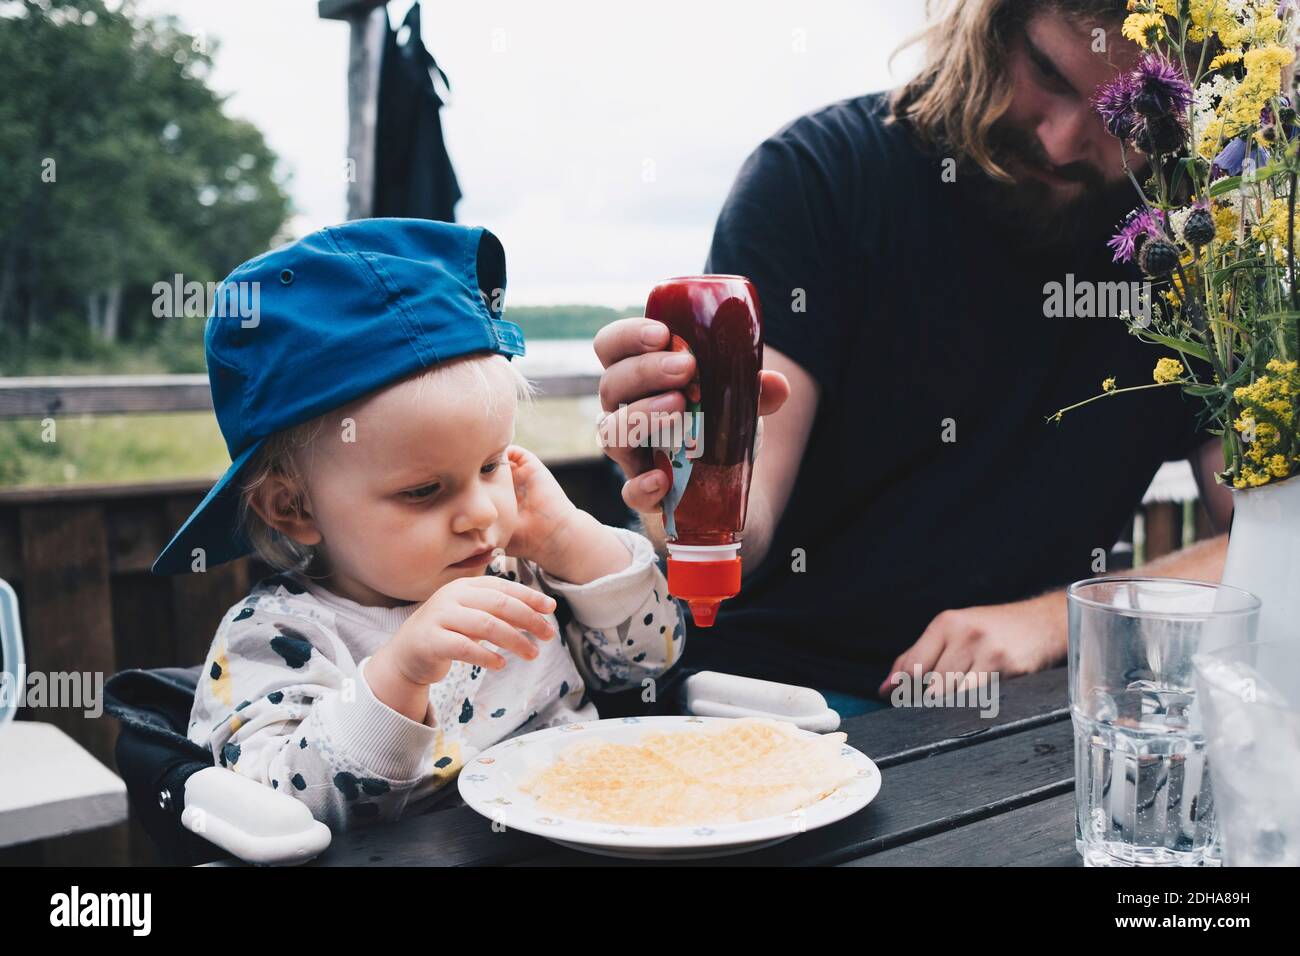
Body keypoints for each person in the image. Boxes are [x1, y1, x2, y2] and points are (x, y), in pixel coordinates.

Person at [593, 0, 1232, 713]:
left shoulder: (1196, 248)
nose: (1061, 141)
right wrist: (691, 484)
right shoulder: (817, 179)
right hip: (769, 699)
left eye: (1128, 120)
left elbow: (1272, 539)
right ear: (990, 23)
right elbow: (745, 534)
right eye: (1048, 71)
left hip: (1025, 710)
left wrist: (1061, 618)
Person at [151, 219, 684, 831]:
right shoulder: (277, 638)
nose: (482, 512)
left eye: (490, 465)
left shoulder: (522, 572)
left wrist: (570, 544)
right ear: (293, 508)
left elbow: (649, 666)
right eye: (423, 491)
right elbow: (287, 813)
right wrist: (401, 673)